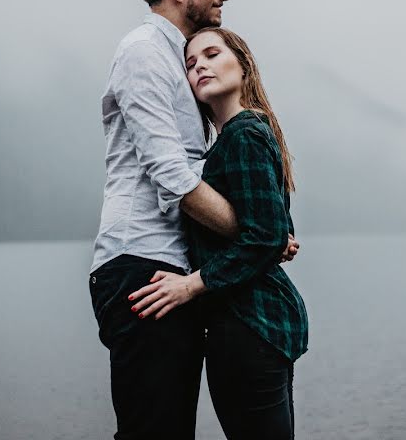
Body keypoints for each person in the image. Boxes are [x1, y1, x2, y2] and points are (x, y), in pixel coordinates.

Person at [89, 0, 298, 440]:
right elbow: (175, 178)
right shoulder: (143, 53)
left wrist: (264, 231)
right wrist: (259, 234)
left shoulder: (177, 61)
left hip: (174, 271)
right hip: (141, 267)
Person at [130, 27, 308, 440]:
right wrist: (279, 237)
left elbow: (265, 235)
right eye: (191, 65)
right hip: (262, 322)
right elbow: (275, 225)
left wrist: (190, 286)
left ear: (243, 66)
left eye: (212, 54)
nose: (200, 67)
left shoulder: (243, 133)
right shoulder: (247, 134)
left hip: (250, 323)